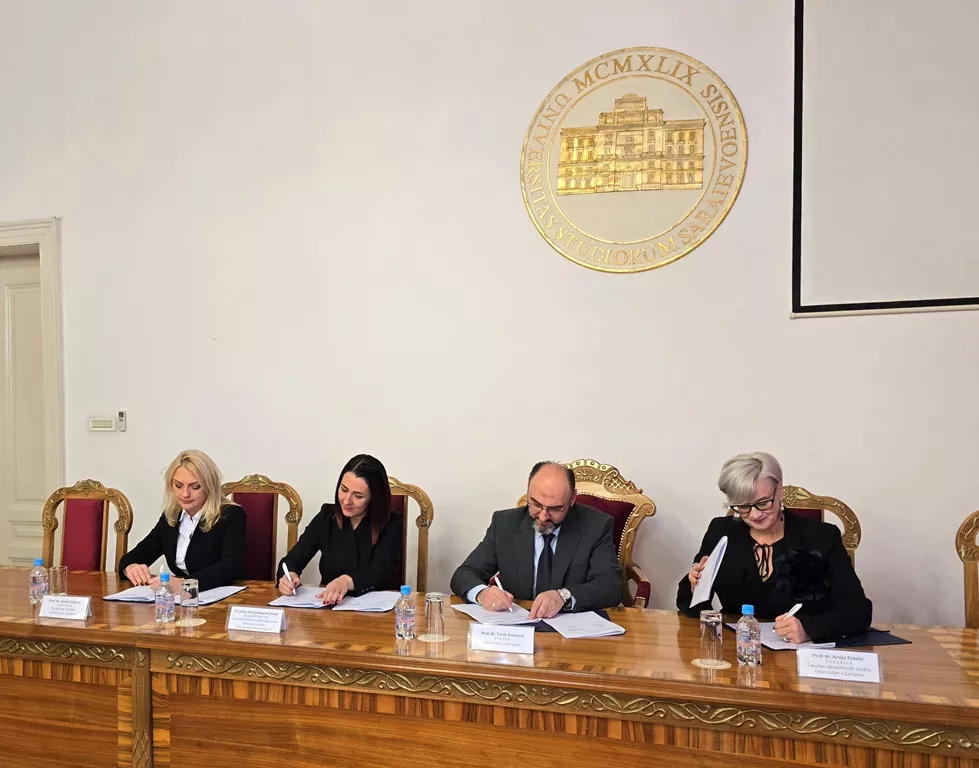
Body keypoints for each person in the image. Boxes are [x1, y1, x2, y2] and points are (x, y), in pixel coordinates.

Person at [677, 452, 872, 643]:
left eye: (763, 503)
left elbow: (858, 610)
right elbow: (693, 607)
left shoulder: (821, 536)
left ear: (779, 490)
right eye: (743, 506)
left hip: (800, 652)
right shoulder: (721, 531)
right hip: (737, 647)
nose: (755, 515)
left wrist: (810, 629)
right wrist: (696, 586)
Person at [450, 461, 622, 619]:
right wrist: (482, 594)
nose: (543, 516)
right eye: (536, 504)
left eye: (555, 509)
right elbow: (464, 574)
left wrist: (564, 596)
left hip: (571, 631)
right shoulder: (504, 524)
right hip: (516, 629)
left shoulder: (595, 526)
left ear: (572, 499)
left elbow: (611, 586)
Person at [277, 454, 402, 605]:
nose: (347, 500)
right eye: (344, 489)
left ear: (374, 498)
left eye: (358, 496)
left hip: (376, 609)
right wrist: (289, 576)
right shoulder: (326, 517)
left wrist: (347, 581)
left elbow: (382, 570)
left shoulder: (391, 523)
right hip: (328, 607)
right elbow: (292, 560)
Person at [118, 449, 245, 593]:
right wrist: (131, 568)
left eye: (195, 487)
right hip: (180, 600)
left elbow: (230, 566)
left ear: (209, 486)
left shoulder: (230, 515)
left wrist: (185, 584)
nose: (185, 494)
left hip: (220, 596)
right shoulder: (172, 516)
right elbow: (133, 557)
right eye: (178, 486)